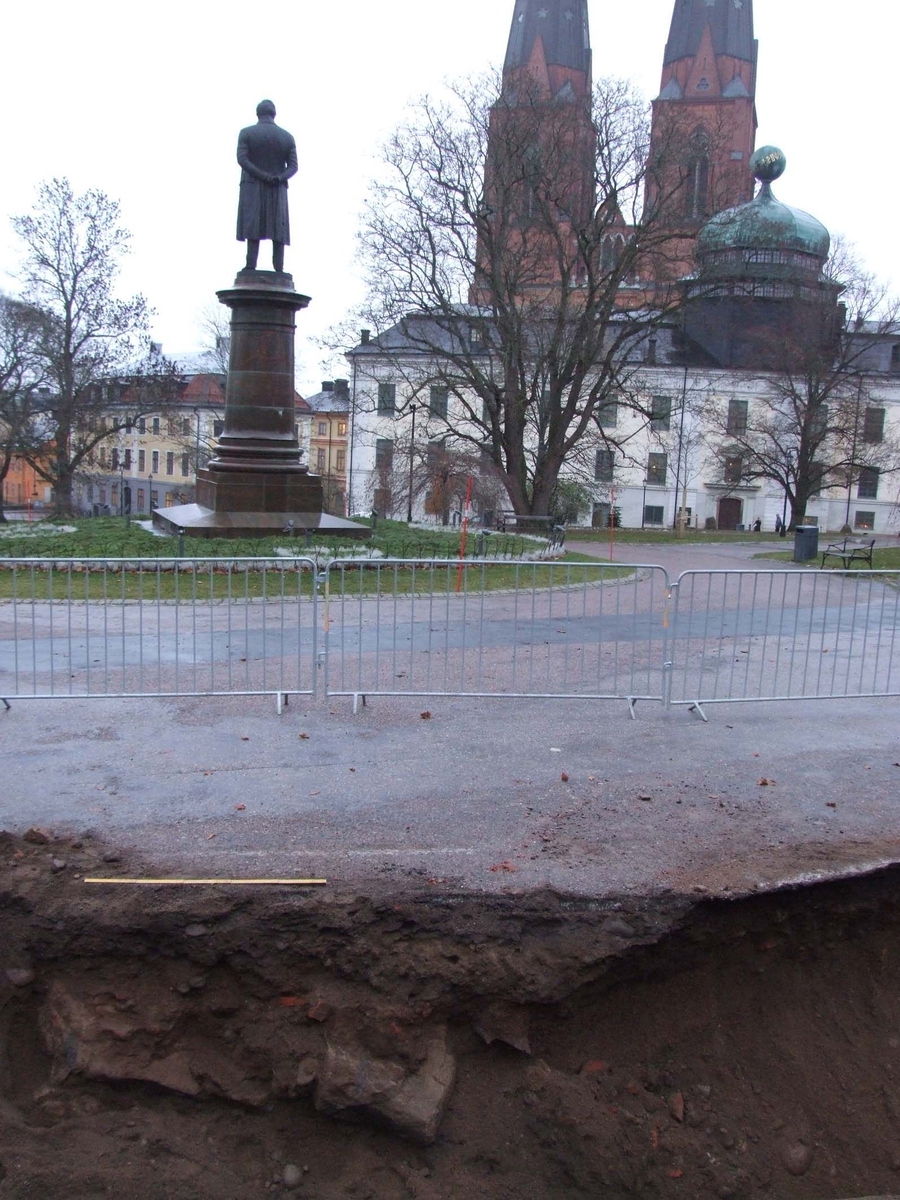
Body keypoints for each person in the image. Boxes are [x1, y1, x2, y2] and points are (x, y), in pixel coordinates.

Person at [236, 100, 298, 274]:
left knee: (253, 225)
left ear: (258, 114)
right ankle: (279, 267)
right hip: (277, 188)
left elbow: (242, 159)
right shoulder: (287, 137)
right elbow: (293, 166)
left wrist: (261, 175)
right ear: (274, 114)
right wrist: (278, 178)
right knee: (278, 227)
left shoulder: (246, 133)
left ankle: (250, 265)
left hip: (252, 186)